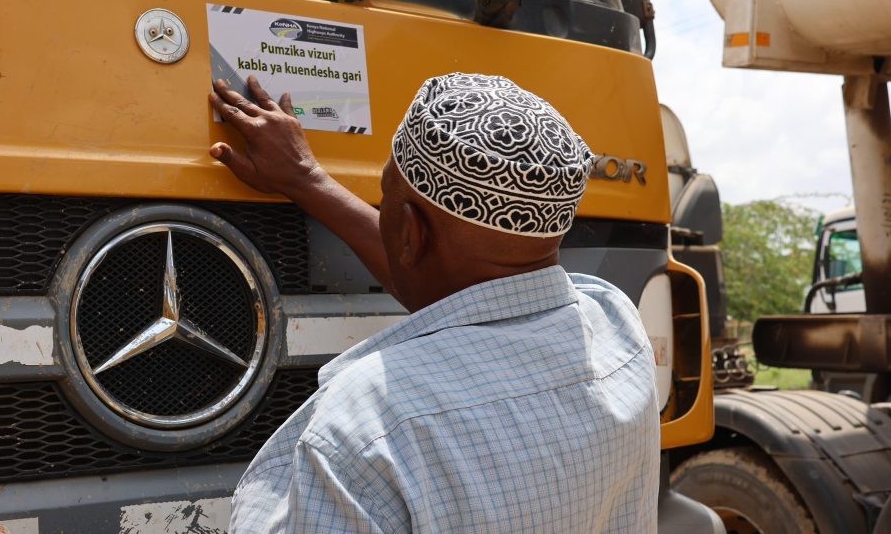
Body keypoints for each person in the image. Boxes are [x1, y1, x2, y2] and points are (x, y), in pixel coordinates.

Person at [208, 73, 660, 533]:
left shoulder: (366, 429)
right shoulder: (618, 326)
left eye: (385, 194)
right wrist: (308, 181)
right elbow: (462, 289)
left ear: (410, 232)